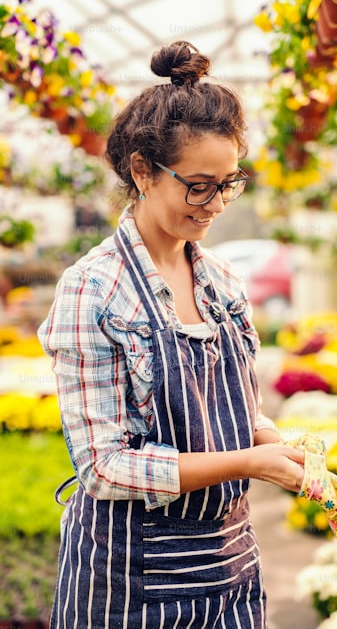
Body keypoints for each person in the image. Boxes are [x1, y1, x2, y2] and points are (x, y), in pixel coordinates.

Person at [38, 41, 306, 628]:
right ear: (142, 170)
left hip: (229, 565)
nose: (214, 205)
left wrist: (277, 443)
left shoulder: (223, 282)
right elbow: (105, 467)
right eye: (198, 185)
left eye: (228, 183)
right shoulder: (93, 290)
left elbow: (237, 413)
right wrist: (248, 462)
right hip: (129, 579)